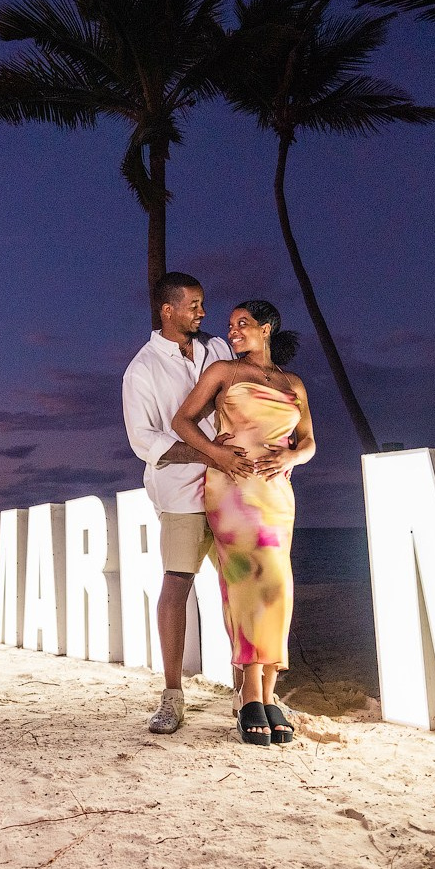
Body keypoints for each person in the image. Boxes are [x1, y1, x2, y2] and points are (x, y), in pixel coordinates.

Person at [171, 300, 314, 745]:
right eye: (230, 325)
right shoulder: (223, 373)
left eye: (243, 324)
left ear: (267, 328)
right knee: (247, 583)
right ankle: (251, 692)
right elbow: (182, 421)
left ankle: (268, 694)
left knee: (277, 586)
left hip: (276, 496)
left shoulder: (293, 384)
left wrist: (291, 454)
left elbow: (308, 441)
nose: (232, 332)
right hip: (233, 490)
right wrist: (215, 452)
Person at [122, 271, 237, 735]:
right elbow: (143, 439)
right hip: (181, 490)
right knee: (177, 584)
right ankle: (172, 696)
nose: (202, 313)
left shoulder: (217, 350)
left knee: (239, 587)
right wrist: (210, 453)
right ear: (167, 311)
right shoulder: (142, 369)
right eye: (193, 305)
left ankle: (246, 692)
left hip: (231, 488)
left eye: (202, 304)